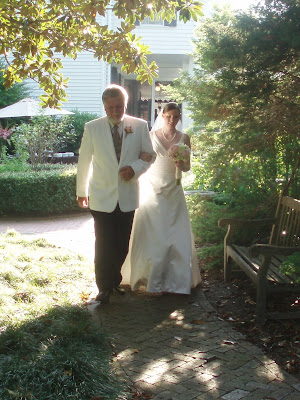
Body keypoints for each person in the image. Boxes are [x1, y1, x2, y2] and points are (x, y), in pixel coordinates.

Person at [76, 84, 156, 304]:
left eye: (118, 106)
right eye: (110, 107)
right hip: (101, 196)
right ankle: (104, 288)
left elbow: (150, 155)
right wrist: (81, 191)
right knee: (103, 243)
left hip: (128, 195)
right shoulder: (92, 128)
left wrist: (135, 169)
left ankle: (114, 281)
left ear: (125, 104)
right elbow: (84, 162)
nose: (114, 111)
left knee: (121, 244)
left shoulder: (139, 126)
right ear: (104, 106)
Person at [122, 102, 201, 294]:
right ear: (162, 115)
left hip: (174, 189)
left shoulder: (185, 138)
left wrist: (181, 163)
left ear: (179, 117)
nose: (172, 120)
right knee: (154, 234)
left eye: (176, 117)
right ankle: (149, 277)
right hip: (152, 188)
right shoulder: (150, 136)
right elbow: (144, 160)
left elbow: (187, 167)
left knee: (175, 234)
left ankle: (175, 279)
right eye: (168, 116)